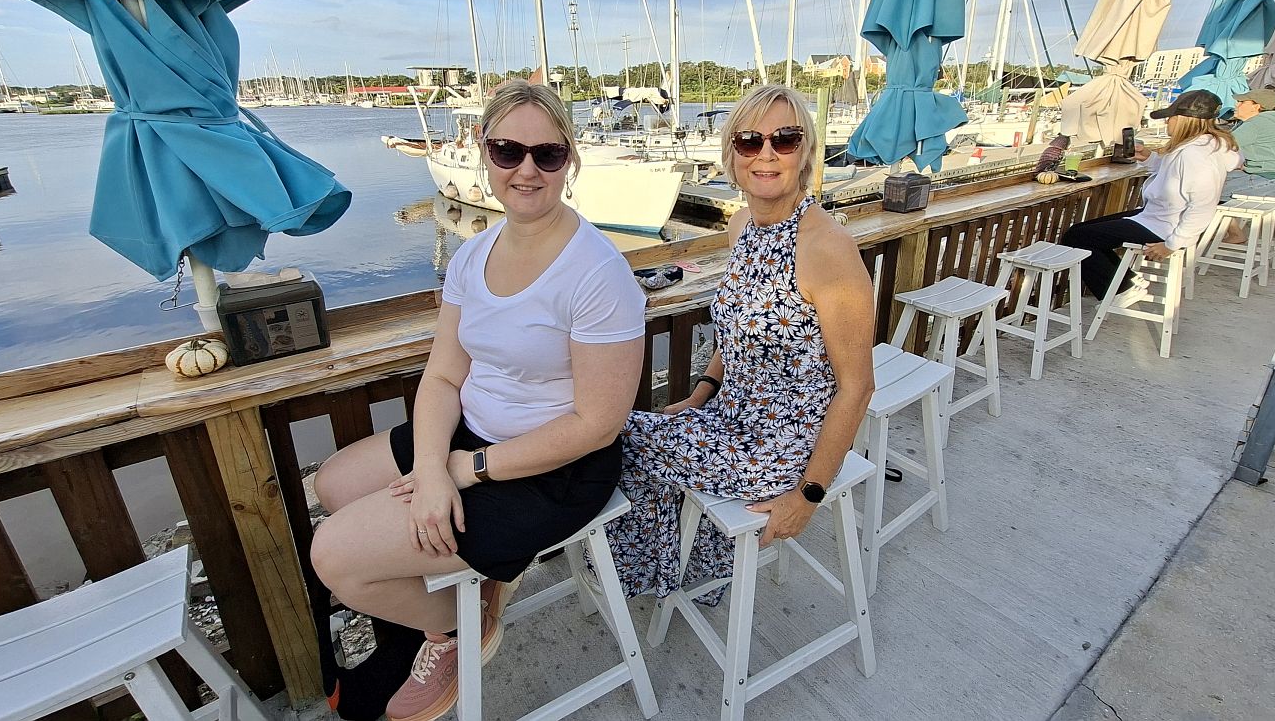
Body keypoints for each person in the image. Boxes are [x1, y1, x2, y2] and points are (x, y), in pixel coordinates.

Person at [309, 80, 646, 721]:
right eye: (507, 151)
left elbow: (598, 424)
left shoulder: (598, 273)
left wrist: (464, 470)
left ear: (570, 159)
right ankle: (461, 594)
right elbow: (442, 377)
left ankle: (455, 627)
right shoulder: (472, 255)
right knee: (334, 484)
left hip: (557, 468)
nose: (526, 169)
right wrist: (432, 468)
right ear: (484, 153)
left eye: (547, 154)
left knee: (333, 556)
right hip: (474, 430)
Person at [605, 84, 876, 604]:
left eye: (784, 139)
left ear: (805, 152)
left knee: (613, 433)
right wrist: (701, 392)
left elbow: (858, 387)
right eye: (750, 140)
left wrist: (808, 495)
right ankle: (684, 568)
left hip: (782, 448)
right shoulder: (741, 225)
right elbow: (737, 329)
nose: (766, 153)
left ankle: (648, 571)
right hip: (729, 417)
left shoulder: (829, 250)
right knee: (626, 430)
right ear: (732, 155)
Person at [1060, 89, 1241, 301]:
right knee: (1080, 232)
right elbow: (1176, 173)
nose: (1167, 122)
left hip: (1166, 226)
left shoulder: (1194, 154)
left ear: (1183, 119)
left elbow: (1203, 205)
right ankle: (1126, 281)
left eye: (1170, 118)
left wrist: (1172, 244)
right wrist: (1149, 158)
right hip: (1159, 216)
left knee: (1077, 237)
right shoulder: (1207, 145)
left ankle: (1121, 290)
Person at [1222, 88, 1275, 243]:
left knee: (1206, 191)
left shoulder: (1256, 124)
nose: (1237, 105)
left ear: (1256, 106)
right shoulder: (1267, 121)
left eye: (1242, 102)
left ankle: (1232, 233)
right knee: (1212, 184)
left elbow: (1222, 145)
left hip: (1274, 181)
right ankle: (1221, 230)